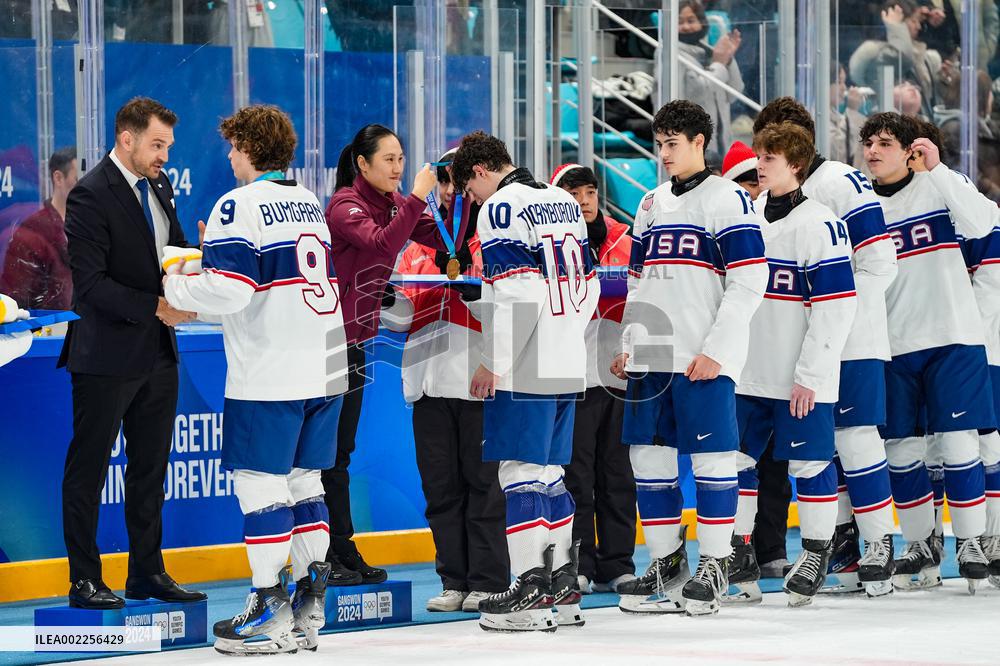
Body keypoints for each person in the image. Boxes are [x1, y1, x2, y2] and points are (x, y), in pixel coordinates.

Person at [164, 104, 346, 655]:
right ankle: (309, 606)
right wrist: (211, 265)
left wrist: (176, 292)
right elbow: (264, 279)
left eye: (233, 144)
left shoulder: (236, 204)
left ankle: (269, 607)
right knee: (304, 482)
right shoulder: (306, 200)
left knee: (259, 485)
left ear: (247, 147)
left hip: (271, 372)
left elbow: (234, 292)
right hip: (325, 363)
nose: (228, 154)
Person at [611, 100, 769, 616]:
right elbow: (637, 279)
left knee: (713, 460)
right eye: (658, 144)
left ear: (700, 142)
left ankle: (717, 564)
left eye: (672, 144)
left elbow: (750, 281)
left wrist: (717, 351)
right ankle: (667, 563)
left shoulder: (729, 200)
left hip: (703, 357)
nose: (662, 155)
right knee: (647, 459)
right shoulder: (651, 203)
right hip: (654, 354)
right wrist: (629, 344)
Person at [59, 97, 205, 609]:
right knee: (90, 469)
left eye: (167, 145)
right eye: (157, 144)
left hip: (159, 355)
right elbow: (91, 286)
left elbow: (173, 253)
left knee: (150, 469)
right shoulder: (89, 195)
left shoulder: (160, 185)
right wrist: (158, 308)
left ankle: (147, 572)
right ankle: (84, 579)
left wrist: (198, 264)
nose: (164, 155)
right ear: (127, 138)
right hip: (105, 357)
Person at [451, 130, 599, 632]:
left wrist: (494, 360)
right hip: (567, 354)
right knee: (552, 473)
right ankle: (563, 586)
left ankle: (530, 592)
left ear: (478, 173)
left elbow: (520, 294)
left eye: (470, 192)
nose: (474, 202)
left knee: (518, 473)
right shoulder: (562, 200)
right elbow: (591, 281)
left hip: (526, 358)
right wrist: (566, 333)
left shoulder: (500, 208)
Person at [751, 97, 898, 597]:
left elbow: (879, 262)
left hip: (851, 340)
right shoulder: (766, 197)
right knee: (819, 449)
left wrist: (836, 322)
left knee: (855, 440)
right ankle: (840, 542)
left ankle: (880, 542)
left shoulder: (837, 180)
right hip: (797, 345)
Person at [860, 112, 995, 592]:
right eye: (868, 142)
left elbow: (984, 220)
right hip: (891, 344)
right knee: (900, 448)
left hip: (953, 335)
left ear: (908, 149)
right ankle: (920, 542)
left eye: (884, 142)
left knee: (959, 441)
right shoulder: (860, 208)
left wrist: (937, 169)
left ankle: (971, 540)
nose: (873, 150)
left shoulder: (939, 186)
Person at [734, 121, 858, 608]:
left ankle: (814, 552)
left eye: (769, 157)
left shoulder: (821, 224)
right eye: (760, 156)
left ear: (796, 165)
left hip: (800, 376)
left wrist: (810, 375)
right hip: (749, 370)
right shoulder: (746, 216)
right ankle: (738, 552)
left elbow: (835, 307)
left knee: (809, 464)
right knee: (736, 462)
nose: (759, 165)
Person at [381, 150, 510, 613]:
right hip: (426, 381)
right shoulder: (415, 248)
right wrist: (385, 298)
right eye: (443, 181)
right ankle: (453, 578)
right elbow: (401, 320)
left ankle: (491, 579)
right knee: (440, 488)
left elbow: (508, 309)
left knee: (484, 485)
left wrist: (478, 295)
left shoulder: (491, 239)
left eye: (457, 181)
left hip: (477, 380)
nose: (451, 190)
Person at [324, 124, 444, 585]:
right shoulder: (344, 205)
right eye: (390, 159)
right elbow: (382, 242)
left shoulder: (395, 204)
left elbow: (440, 238)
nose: (398, 168)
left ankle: (341, 548)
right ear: (363, 163)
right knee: (329, 456)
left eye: (401, 158)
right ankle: (330, 554)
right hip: (329, 342)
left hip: (356, 344)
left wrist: (460, 201)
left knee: (342, 453)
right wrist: (415, 198)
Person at [549, 163, 637, 595]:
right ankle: (578, 563)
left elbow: (643, 296)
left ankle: (618, 562)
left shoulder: (625, 238)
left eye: (588, 192)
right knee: (576, 475)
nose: (583, 201)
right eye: (572, 193)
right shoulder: (550, 244)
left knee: (618, 474)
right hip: (572, 375)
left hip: (619, 374)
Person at [722, 139, 793, 580]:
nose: (754, 189)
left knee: (776, 467)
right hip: (735, 364)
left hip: (776, 361)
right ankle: (737, 550)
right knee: (733, 463)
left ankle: (771, 549)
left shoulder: (786, 224)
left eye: (757, 180)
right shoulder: (723, 225)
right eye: (744, 183)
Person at [0, 147, 77, 310]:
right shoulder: (31, 234)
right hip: (48, 330)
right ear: (58, 178)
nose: (87, 187)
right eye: (78, 180)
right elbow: (19, 303)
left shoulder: (91, 227)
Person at [677, 0, 745, 160]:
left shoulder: (709, 52)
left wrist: (728, 60)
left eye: (691, 20)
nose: (686, 26)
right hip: (692, 144)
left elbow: (734, 93)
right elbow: (698, 94)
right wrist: (719, 63)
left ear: (702, 22)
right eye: (679, 22)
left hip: (720, 143)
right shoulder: (670, 54)